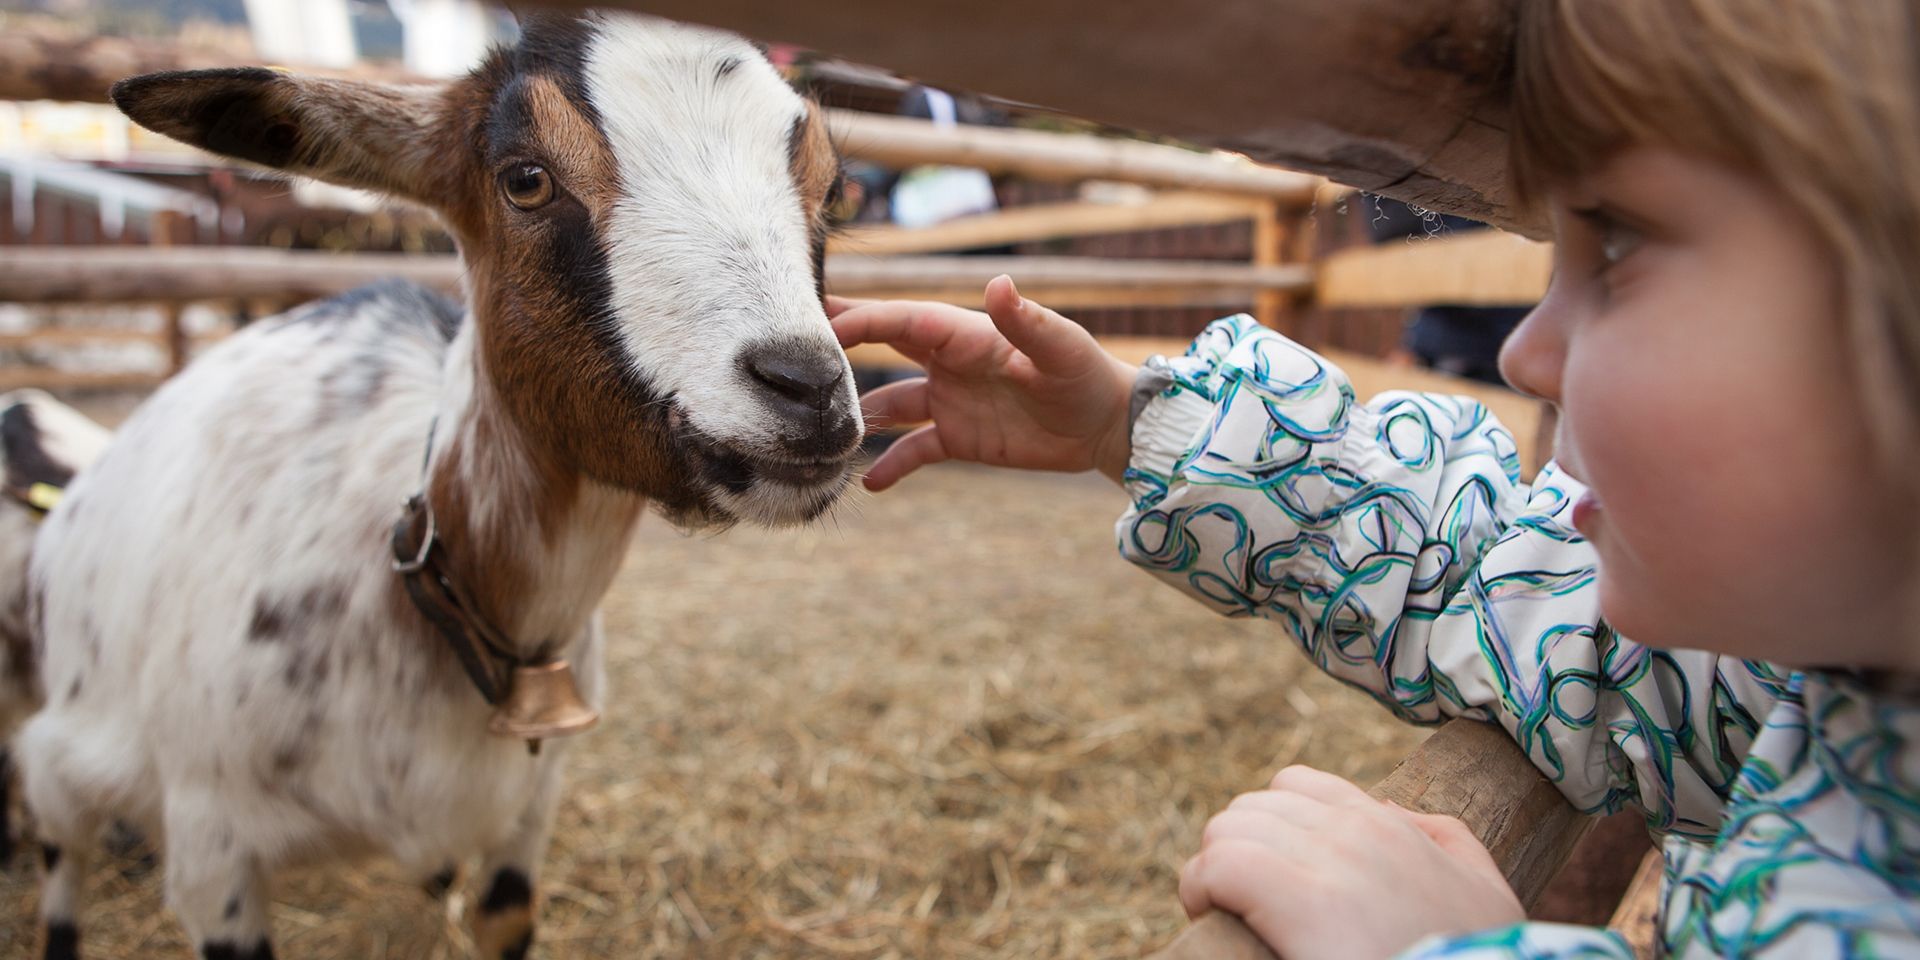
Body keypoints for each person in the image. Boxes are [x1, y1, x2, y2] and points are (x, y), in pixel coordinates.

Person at [828, 0, 1920, 956]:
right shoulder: (1796, 677)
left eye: (1619, 249)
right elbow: (1501, 592)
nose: (1521, 354)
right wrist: (1136, 427)